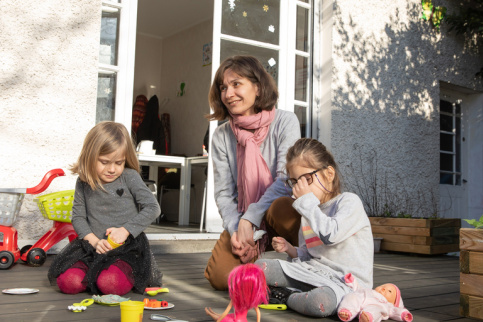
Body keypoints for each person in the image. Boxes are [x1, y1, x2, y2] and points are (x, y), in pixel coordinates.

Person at [204, 55, 301, 290]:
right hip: (244, 220)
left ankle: (307, 260)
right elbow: (224, 193)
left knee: (283, 207)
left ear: (257, 88)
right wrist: (236, 229)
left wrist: (251, 216)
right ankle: (257, 265)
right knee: (220, 278)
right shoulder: (221, 136)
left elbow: (286, 180)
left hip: (276, 215)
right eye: (223, 87)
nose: (228, 94)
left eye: (236, 84)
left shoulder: (285, 122)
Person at [255, 138, 374, 318]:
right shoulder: (308, 212)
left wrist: (306, 204)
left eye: (306, 179)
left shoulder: (349, 202)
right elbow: (309, 254)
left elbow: (331, 234)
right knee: (259, 267)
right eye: (294, 182)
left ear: (329, 174)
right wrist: (291, 249)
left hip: (345, 285)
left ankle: (286, 296)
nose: (299, 188)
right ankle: (292, 293)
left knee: (320, 302)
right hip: (312, 273)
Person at [48, 121, 162, 295]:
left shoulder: (129, 177)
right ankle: (95, 275)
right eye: (104, 162)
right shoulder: (84, 181)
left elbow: (153, 207)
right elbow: (78, 217)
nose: (112, 169)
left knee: (110, 284)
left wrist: (125, 230)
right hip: (92, 248)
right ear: (90, 157)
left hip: (125, 250)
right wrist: (94, 241)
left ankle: (123, 274)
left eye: (118, 162)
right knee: (68, 282)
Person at [338, 273, 413, 322]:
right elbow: (357, 287)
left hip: (373, 307)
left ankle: (368, 317)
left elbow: (396, 311)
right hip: (359, 300)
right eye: (383, 286)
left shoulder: (387, 305)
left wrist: (404, 314)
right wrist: (351, 280)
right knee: (351, 296)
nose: (384, 288)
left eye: (389, 291)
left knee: (376, 310)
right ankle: (347, 311)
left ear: (393, 302)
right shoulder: (367, 290)